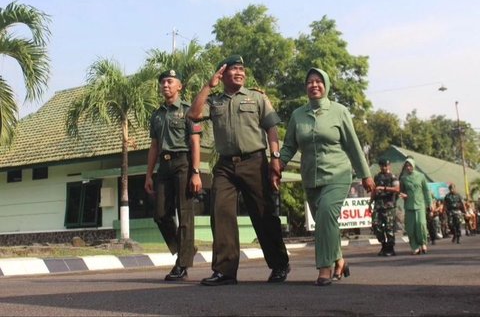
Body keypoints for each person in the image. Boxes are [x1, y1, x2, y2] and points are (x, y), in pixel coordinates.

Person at [187, 55, 290, 286]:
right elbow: (193, 115)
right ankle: (225, 271)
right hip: (225, 165)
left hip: (255, 161)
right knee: (221, 213)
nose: (239, 73)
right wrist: (208, 85)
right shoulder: (214, 101)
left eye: (242, 69)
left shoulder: (257, 97)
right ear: (222, 75)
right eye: (233, 69)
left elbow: (272, 128)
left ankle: (279, 264)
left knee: (264, 215)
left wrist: (275, 159)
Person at [277, 67, 375, 286]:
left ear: (326, 85)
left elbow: (353, 146)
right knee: (325, 223)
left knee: (325, 217)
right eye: (310, 82)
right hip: (311, 179)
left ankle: (325, 268)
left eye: (318, 81)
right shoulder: (297, 115)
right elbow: (290, 146)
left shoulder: (339, 111)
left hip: (338, 175)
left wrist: (366, 174)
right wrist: (278, 164)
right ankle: (339, 260)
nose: (314, 85)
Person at [144, 69, 202, 281]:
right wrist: (149, 174)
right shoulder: (157, 114)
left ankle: (182, 265)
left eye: (169, 82)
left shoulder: (189, 110)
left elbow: (195, 142)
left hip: (183, 163)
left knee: (184, 213)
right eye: (162, 83)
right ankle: (186, 249)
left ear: (179, 86)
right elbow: (154, 146)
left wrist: (195, 172)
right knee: (160, 214)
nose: (165, 85)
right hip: (164, 166)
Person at [399, 157, 432, 255]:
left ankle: (423, 243)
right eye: (406, 166)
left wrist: (429, 203)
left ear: (413, 166)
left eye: (410, 165)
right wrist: (403, 195)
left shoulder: (421, 176)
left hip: (420, 204)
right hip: (409, 206)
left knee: (421, 224)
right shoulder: (403, 178)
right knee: (410, 228)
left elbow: (426, 191)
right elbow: (401, 191)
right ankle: (414, 246)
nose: (408, 168)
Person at [370, 158, 400, 256]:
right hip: (378, 205)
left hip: (389, 206)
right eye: (382, 165)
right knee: (376, 225)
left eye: (385, 165)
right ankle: (383, 245)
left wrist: (384, 188)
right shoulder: (377, 177)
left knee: (389, 227)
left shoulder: (393, 177)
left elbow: (397, 189)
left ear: (389, 166)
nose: (383, 167)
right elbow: (374, 190)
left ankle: (390, 248)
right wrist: (370, 202)